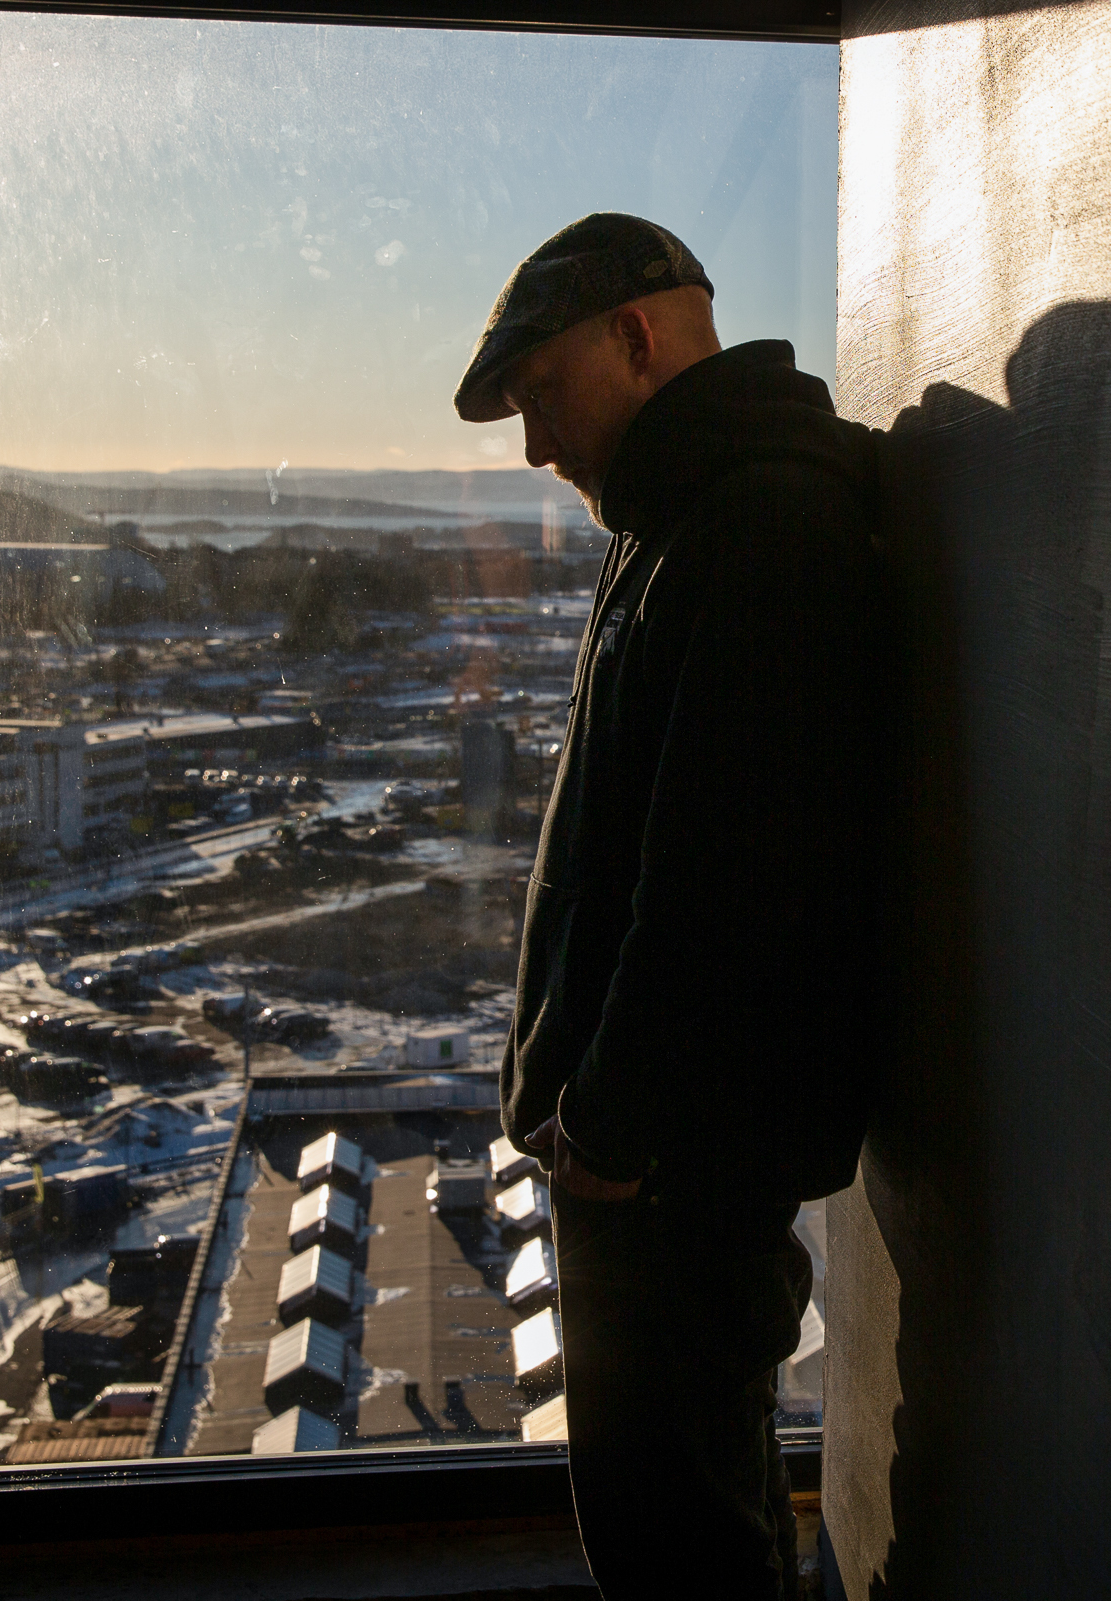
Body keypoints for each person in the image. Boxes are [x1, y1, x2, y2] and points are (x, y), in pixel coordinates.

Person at [457, 212, 884, 1598]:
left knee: (683, 1543)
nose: (535, 447)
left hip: (673, 1167)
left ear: (636, 336)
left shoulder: (762, 524)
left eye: (542, 396)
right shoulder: (681, 514)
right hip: (651, 1155)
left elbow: (725, 878)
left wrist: (611, 1127)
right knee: (673, 1518)